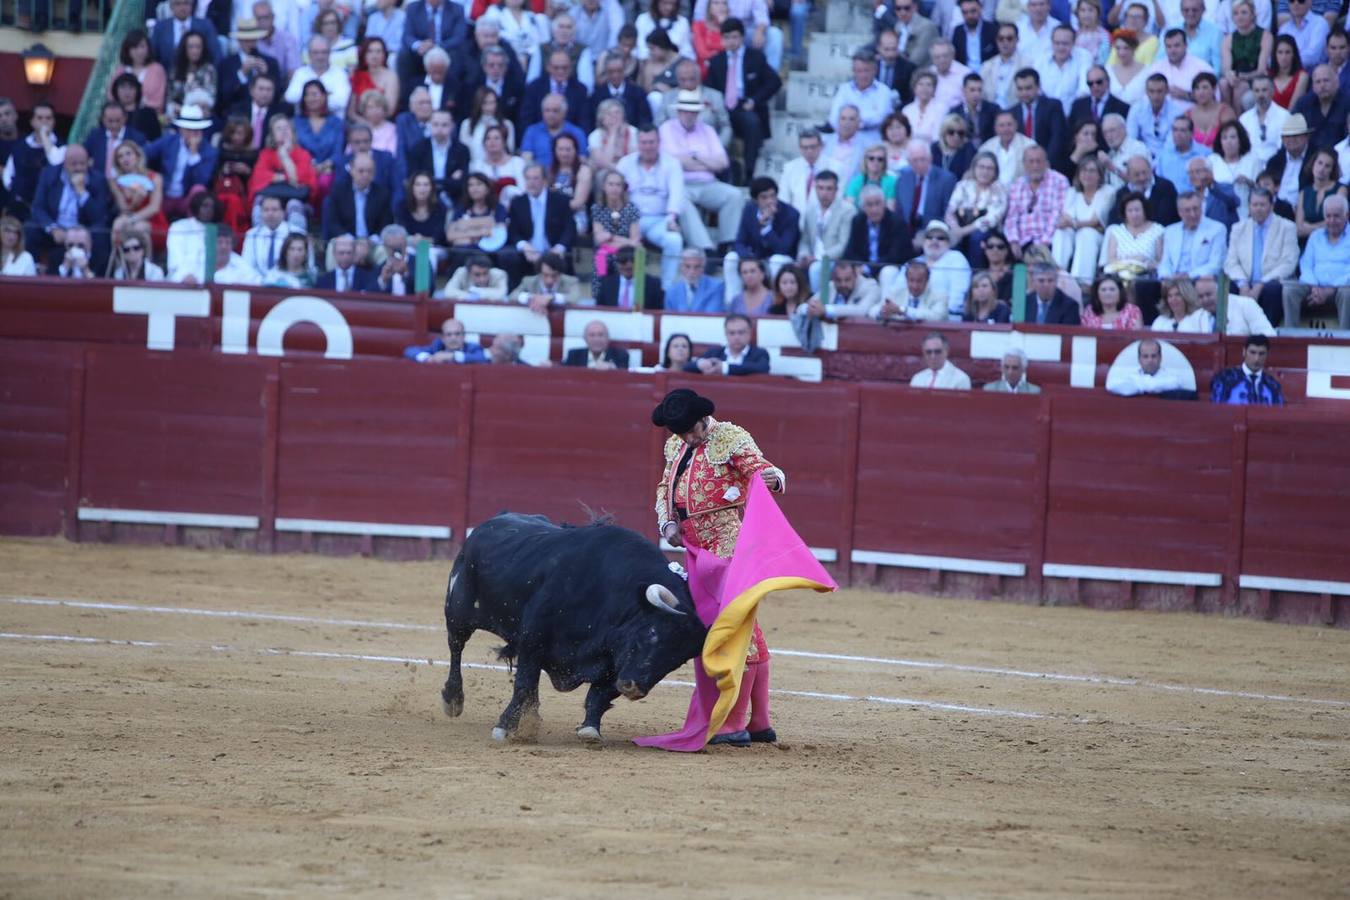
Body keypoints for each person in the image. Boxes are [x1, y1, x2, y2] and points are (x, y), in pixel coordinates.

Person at [651, 387, 785, 745]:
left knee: (733, 625)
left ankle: (733, 723)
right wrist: (667, 523)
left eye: (689, 430)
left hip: (728, 542)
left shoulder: (730, 437)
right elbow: (666, 486)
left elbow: (762, 470)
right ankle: (759, 722)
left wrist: (773, 478)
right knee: (739, 626)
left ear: (702, 419)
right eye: (678, 432)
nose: (685, 438)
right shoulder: (676, 445)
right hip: (695, 547)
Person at [705, 18, 780, 184]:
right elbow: (708, 88)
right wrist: (712, 105)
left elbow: (775, 82)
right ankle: (712, 171)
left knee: (752, 122)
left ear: (742, 37)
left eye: (734, 37)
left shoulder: (756, 57)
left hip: (745, 105)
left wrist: (755, 100)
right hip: (722, 108)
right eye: (727, 37)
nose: (731, 41)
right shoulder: (716, 61)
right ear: (722, 39)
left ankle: (749, 172)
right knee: (706, 121)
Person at [615, 126, 685, 287]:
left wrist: (672, 218)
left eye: (651, 142)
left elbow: (677, 193)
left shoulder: (672, 164)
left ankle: (666, 287)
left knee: (674, 240)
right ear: (638, 143)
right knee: (604, 239)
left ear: (659, 142)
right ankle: (609, 285)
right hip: (628, 220)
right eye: (643, 142)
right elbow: (614, 191)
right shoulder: (625, 163)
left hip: (659, 220)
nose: (647, 146)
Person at [1225, 187, 1299, 324]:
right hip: (1245, 282)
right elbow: (1231, 262)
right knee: (1227, 286)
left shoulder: (1287, 227)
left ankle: (1268, 332)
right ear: (1249, 206)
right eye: (1255, 205)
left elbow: (1289, 262)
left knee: (1273, 289)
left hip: (1271, 281)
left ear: (1271, 206)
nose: (1258, 208)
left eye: (1262, 204)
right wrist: (1243, 284)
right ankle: (1233, 331)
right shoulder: (1238, 228)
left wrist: (1261, 283)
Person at [1282, 193, 1350, 328]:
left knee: (1347, 293)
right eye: (1328, 216)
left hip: (1341, 288)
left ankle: (1345, 341)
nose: (1332, 221)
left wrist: (1331, 289)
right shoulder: (1315, 236)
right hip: (1314, 286)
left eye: (1336, 216)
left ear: (1346, 215)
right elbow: (1306, 264)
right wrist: (1314, 287)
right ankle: (1291, 337)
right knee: (1289, 290)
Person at [725, 177, 799, 296]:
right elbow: (739, 241)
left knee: (776, 261)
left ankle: (775, 303)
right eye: (764, 197)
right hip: (756, 258)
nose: (770, 201)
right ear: (755, 200)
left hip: (783, 259)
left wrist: (766, 229)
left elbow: (784, 249)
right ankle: (731, 302)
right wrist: (749, 259)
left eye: (773, 196)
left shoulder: (791, 214)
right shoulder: (749, 210)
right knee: (731, 258)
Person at [1053, 156, 1116, 283]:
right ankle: (1057, 274)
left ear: (1100, 175)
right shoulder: (1072, 192)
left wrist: (1075, 223)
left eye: (1092, 171)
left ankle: (1081, 282)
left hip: (1097, 236)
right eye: (1084, 170)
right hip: (1076, 232)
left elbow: (1096, 221)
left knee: (1086, 233)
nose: (1087, 174)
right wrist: (1073, 224)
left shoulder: (1108, 191)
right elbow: (1065, 218)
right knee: (1062, 233)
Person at [1004, 145, 1070, 257]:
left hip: (1049, 242)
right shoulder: (1017, 184)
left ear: (1046, 163)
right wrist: (1014, 241)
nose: (1035, 166)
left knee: (1039, 267)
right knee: (1018, 272)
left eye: (1039, 161)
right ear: (1024, 164)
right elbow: (1011, 216)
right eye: (1031, 161)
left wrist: (1043, 244)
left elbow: (1057, 215)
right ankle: (1020, 272)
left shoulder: (1060, 181)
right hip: (1022, 242)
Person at [896, 142, 958, 251]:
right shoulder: (903, 177)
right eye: (914, 160)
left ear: (930, 158)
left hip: (932, 231)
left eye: (922, 159)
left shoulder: (946, 179)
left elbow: (947, 213)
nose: (919, 164)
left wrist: (926, 235)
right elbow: (899, 210)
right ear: (909, 161)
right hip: (907, 230)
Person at [1103, 189, 1166, 286]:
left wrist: (1145, 263)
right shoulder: (1116, 231)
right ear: (1125, 213)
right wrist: (1130, 261)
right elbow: (1110, 260)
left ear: (1144, 210)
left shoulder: (1158, 230)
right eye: (1130, 211)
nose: (1134, 214)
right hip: (1119, 276)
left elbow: (1161, 262)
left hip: (1146, 277)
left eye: (1137, 210)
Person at [1221, 0, 1270, 108]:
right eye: (1236, 13)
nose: (1239, 16)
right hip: (1236, 76)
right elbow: (1226, 68)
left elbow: (1262, 70)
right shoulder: (1228, 39)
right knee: (1223, 84)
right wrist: (1230, 76)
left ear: (1252, 15)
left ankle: (1238, 122)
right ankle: (1227, 118)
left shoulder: (1265, 36)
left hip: (1256, 77)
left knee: (1240, 87)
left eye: (1244, 12)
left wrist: (1242, 76)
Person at [1210, 334, 1285, 404]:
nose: (1256, 359)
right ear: (1244, 352)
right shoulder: (1225, 379)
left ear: (1267, 355)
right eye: (1252, 352)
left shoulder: (1273, 385)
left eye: (1261, 354)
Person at [686, 314, 769, 375]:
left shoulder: (760, 353)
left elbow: (763, 369)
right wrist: (700, 364)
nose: (736, 337)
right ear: (726, 334)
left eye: (741, 332)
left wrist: (725, 368)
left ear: (749, 333)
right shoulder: (714, 352)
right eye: (732, 333)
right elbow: (687, 366)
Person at [1294, 148, 1349, 238]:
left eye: (1327, 166)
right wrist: (1323, 226)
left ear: (1332, 170)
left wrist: (1308, 227)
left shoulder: (1340, 189)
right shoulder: (1304, 193)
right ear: (1313, 164)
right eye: (1319, 163)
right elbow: (1299, 229)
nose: (1322, 168)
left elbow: (1337, 222)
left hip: (1332, 240)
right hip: (1306, 243)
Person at [1106, 337, 1191, 395]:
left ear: (1160, 358)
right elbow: (1110, 385)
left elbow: (1177, 383)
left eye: (1153, 356)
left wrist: (1139, 385)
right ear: (1139, 359)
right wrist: (1148, 385)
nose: (1150, 360)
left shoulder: (1171, 378)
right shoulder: (1132, 376)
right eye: (1145, 356)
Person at [1195, 274, 1276, 335]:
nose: (1205, 299)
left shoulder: (1246, 305)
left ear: (1221, 291)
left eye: (1208, 294)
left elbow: (1268, 335)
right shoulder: (1198, 316)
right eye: (1200, 296)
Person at [112, 29, 168, 115]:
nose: (139, 51)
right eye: (134, 47)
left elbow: (159, 102)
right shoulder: (121, 70)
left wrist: (140, 103)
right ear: (127, 50)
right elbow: (111, 95)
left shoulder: (157, 69)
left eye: (142, 46)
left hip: (150, 117)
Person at [874, 259, 947, 322]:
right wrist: (882, 312)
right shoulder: (896, 293)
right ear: (906, 279)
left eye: (919, 281)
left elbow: (937, 317)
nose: (914, 286)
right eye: (911, 280)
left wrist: (902, 310)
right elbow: (873, 311)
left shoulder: (940, 296)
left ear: (927, 280)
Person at [1241, 75, 1291, 166]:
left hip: (1275, 167)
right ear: (1252, 92)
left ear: (1272, 91)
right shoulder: (1244, 119)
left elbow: (1284, 149)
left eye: (1264, 90)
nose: (1260, 95)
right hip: (1249, 167)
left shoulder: (1284, 116)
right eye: (1257, 90)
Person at [597, 245, 665, 308]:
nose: (628, 265)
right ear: (617, 263)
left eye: (633, 260)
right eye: (623, 260)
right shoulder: (607, 283)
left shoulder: (654, 284)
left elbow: (658, 311)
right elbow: (599, 309)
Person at [516, 252, 583, 310]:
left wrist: (552, 298)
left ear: (560, 274)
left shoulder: (571, 281)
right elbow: (512, 295)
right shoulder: (528, 281)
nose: (549, 280)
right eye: (545, 275)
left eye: (554, 275)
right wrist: (532, 297)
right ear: (539, 272)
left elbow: (575, 298)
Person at [665, 248, 726, 312]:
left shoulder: (717, 287)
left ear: (703, 267)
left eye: (697, 267)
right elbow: (670, 319)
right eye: (687, 266)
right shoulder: (671, 291)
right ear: (681, 267)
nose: (692, 271)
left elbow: (712, 315)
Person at [589, 99, 639, 170]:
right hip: (605, 173)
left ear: (623, 116)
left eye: (617, 113)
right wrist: (613, 133)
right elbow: (603, 163)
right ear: (602, 118)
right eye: (609, 114)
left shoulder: (633, 132)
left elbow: (634, 159)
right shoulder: (595, 135)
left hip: (629, 170)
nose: (614, 116)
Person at [563, 320, 630, 369]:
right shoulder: (574, 355)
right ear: (585, 338)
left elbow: (624, 376)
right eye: (592, 335)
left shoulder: (621, 355)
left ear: (607, 338)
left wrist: (613, 368)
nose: (596, 339)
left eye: (600, 335)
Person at [441, 252, 510, 299]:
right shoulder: (461, 272)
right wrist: (469, 296)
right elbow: (448, 292)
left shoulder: (499, 274)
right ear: (468, 272)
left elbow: (501, 294)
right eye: (477, 275)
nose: (482, 279)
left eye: (485, 273)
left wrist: (478, 292)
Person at [1270, 34, 1309, 111]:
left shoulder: (1302, 76)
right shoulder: (1268, 75)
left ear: (1293, 54)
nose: (1283, 57)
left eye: (1287, 52)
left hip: (1291, 120)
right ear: (1275, 54)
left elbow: (1293, 109)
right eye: (1280, 52)